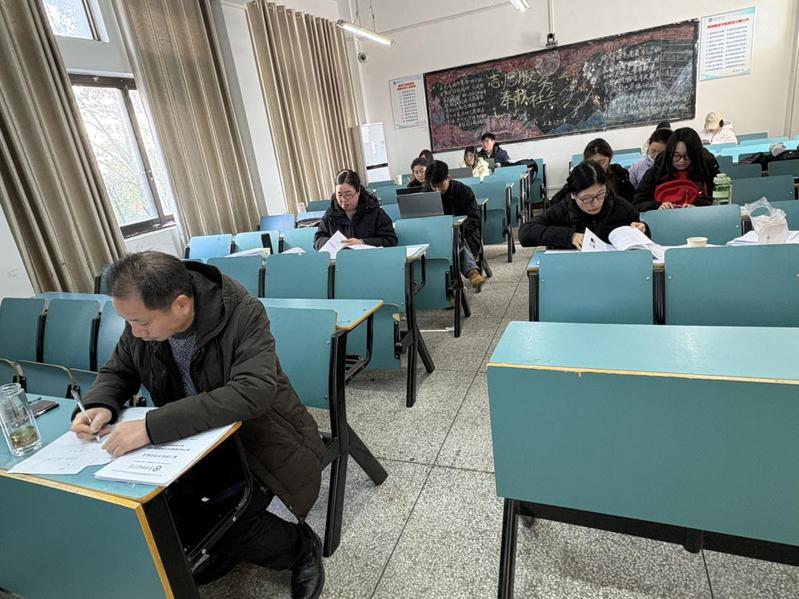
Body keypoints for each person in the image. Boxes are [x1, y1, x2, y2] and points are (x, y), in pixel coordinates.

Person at [70, 252, 326, 599]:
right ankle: (227, 546)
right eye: (128, 322)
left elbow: (252, 392)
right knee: (169, 514)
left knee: (229, 519)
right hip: (194, 441)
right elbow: (119, 370)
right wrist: (100, 404)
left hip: (262, 442)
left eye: (141, 323)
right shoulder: (142, 325)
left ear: (181, 305)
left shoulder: (242, 313)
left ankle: (301, 548)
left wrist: (150, 426)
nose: (135, 332)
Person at [519, 160, 647, 249]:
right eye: (587, 198)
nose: (595, 203)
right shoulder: (562, 209)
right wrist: (570, 236)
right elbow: (525, 233)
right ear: (573, 195)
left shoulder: (620, 206)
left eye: (600, 194)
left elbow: (642, 235)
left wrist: (642, 229)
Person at [426, 160, 486, 289]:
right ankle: (471, 271)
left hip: (467, 236)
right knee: (447, 237)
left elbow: (474, 220)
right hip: (437, 237)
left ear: (448, 177)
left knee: (453, 235)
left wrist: (458, 230)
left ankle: (465, 276)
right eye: (434, 186)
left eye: (440, 185)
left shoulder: (464, 191)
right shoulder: (427, 193)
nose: (437, 190)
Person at [633, 127, 720, 212]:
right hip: (662, 218)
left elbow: (718, 200)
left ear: (695, 154)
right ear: (669, 153)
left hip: (698, 218)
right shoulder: (655, 173)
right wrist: (658, 206)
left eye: (687, 156)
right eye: (676, 155)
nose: (681, 160)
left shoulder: (706, 169)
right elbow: (638, 203)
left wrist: (698, 208)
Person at [315, 169, 398, 249]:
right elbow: (318, 239)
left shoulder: (375, 212)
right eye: (339, 195)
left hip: (369, 257)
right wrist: (331, 243)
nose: (343, 199)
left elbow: (390, 240)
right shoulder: (330, 214)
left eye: (348, 194)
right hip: (341, 257)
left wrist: (363, 242)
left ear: (358, 192)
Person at [551, 138, 635, 204]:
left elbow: (631, 202)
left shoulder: (619, 175)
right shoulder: (580, 176)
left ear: (610, 158)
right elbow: (555, 203)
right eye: (592, 163)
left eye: (602, 162)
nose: (597, 167)